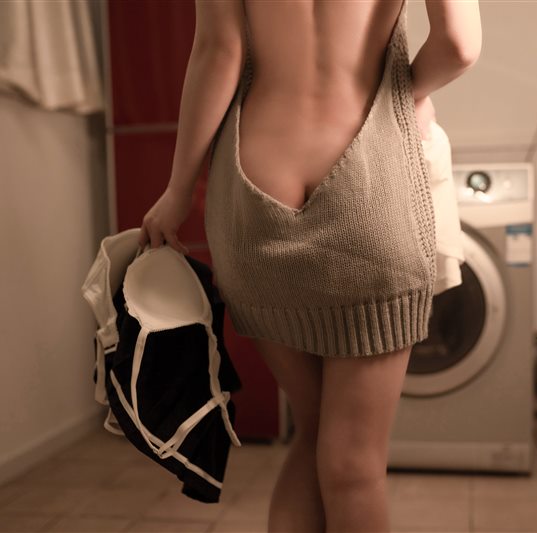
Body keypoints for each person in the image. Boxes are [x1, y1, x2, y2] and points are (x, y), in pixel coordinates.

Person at [138, 1, 481, 531]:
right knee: (355, 466)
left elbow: (218, 51)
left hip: (255, 193)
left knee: (314, 429)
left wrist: (178, 191)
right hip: (372, 186)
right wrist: (399, 95)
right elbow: (459, 45)